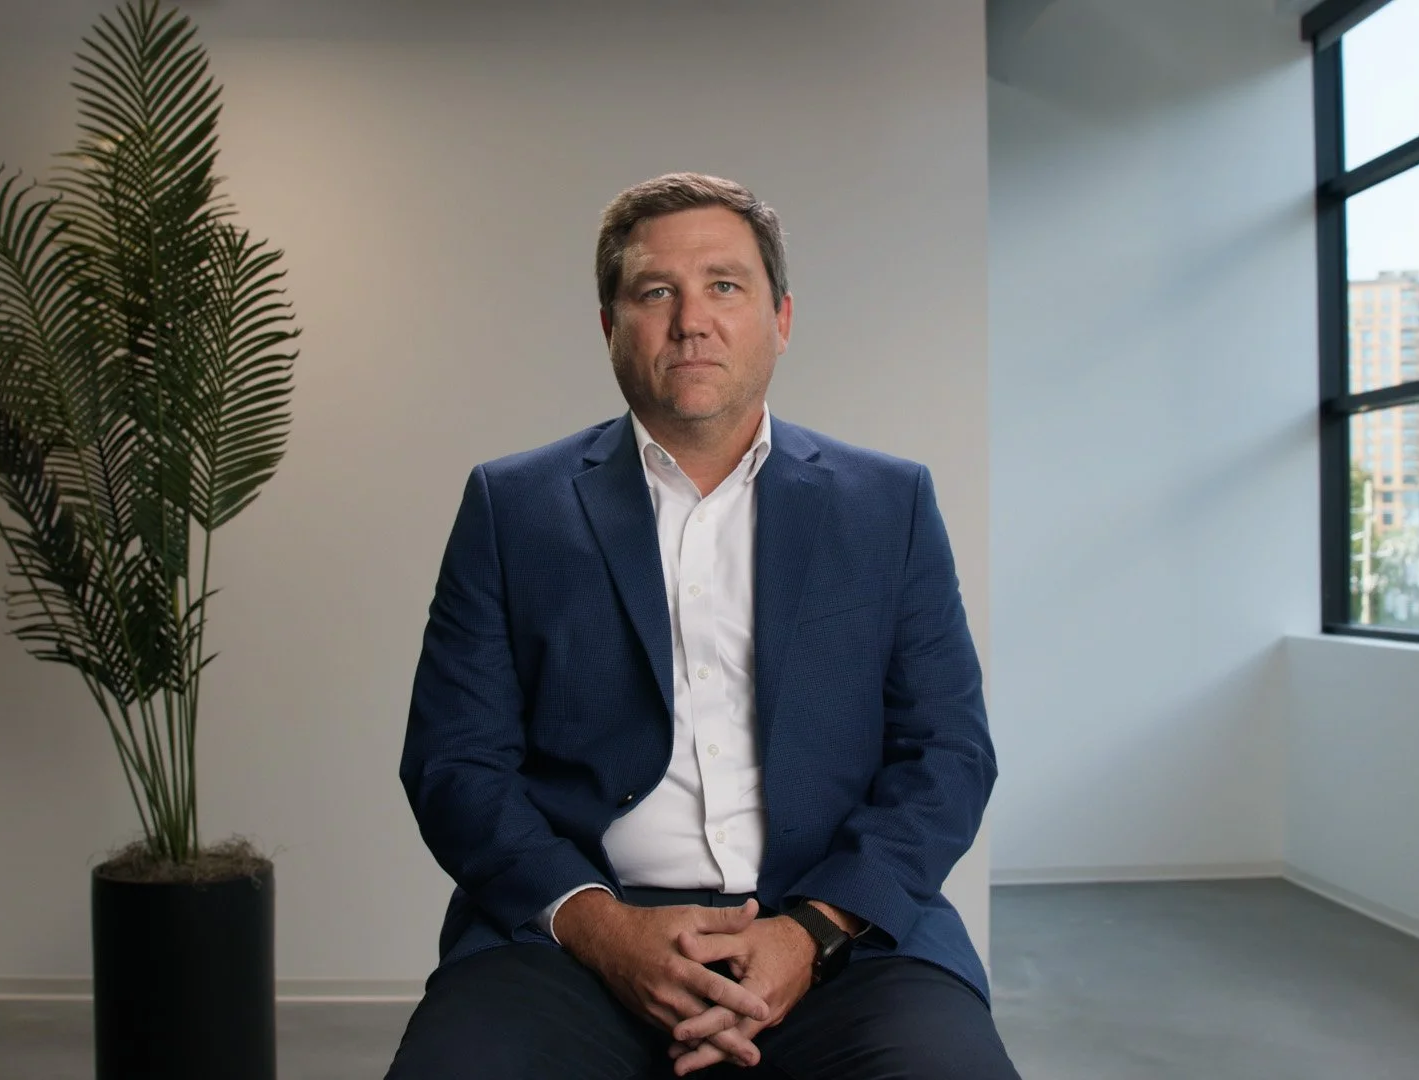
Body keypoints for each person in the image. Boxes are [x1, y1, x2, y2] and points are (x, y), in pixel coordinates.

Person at [388, 172, 1018, 1079]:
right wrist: (604, 930)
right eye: (656, 292)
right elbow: (455, 762)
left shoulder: (890, 505)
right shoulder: (511, 508)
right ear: (609, 327)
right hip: (573, 935)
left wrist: (811, 932)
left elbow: (948, 754)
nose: (692, 321)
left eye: (725, 285)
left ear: (781, 318)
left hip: (840, 931)